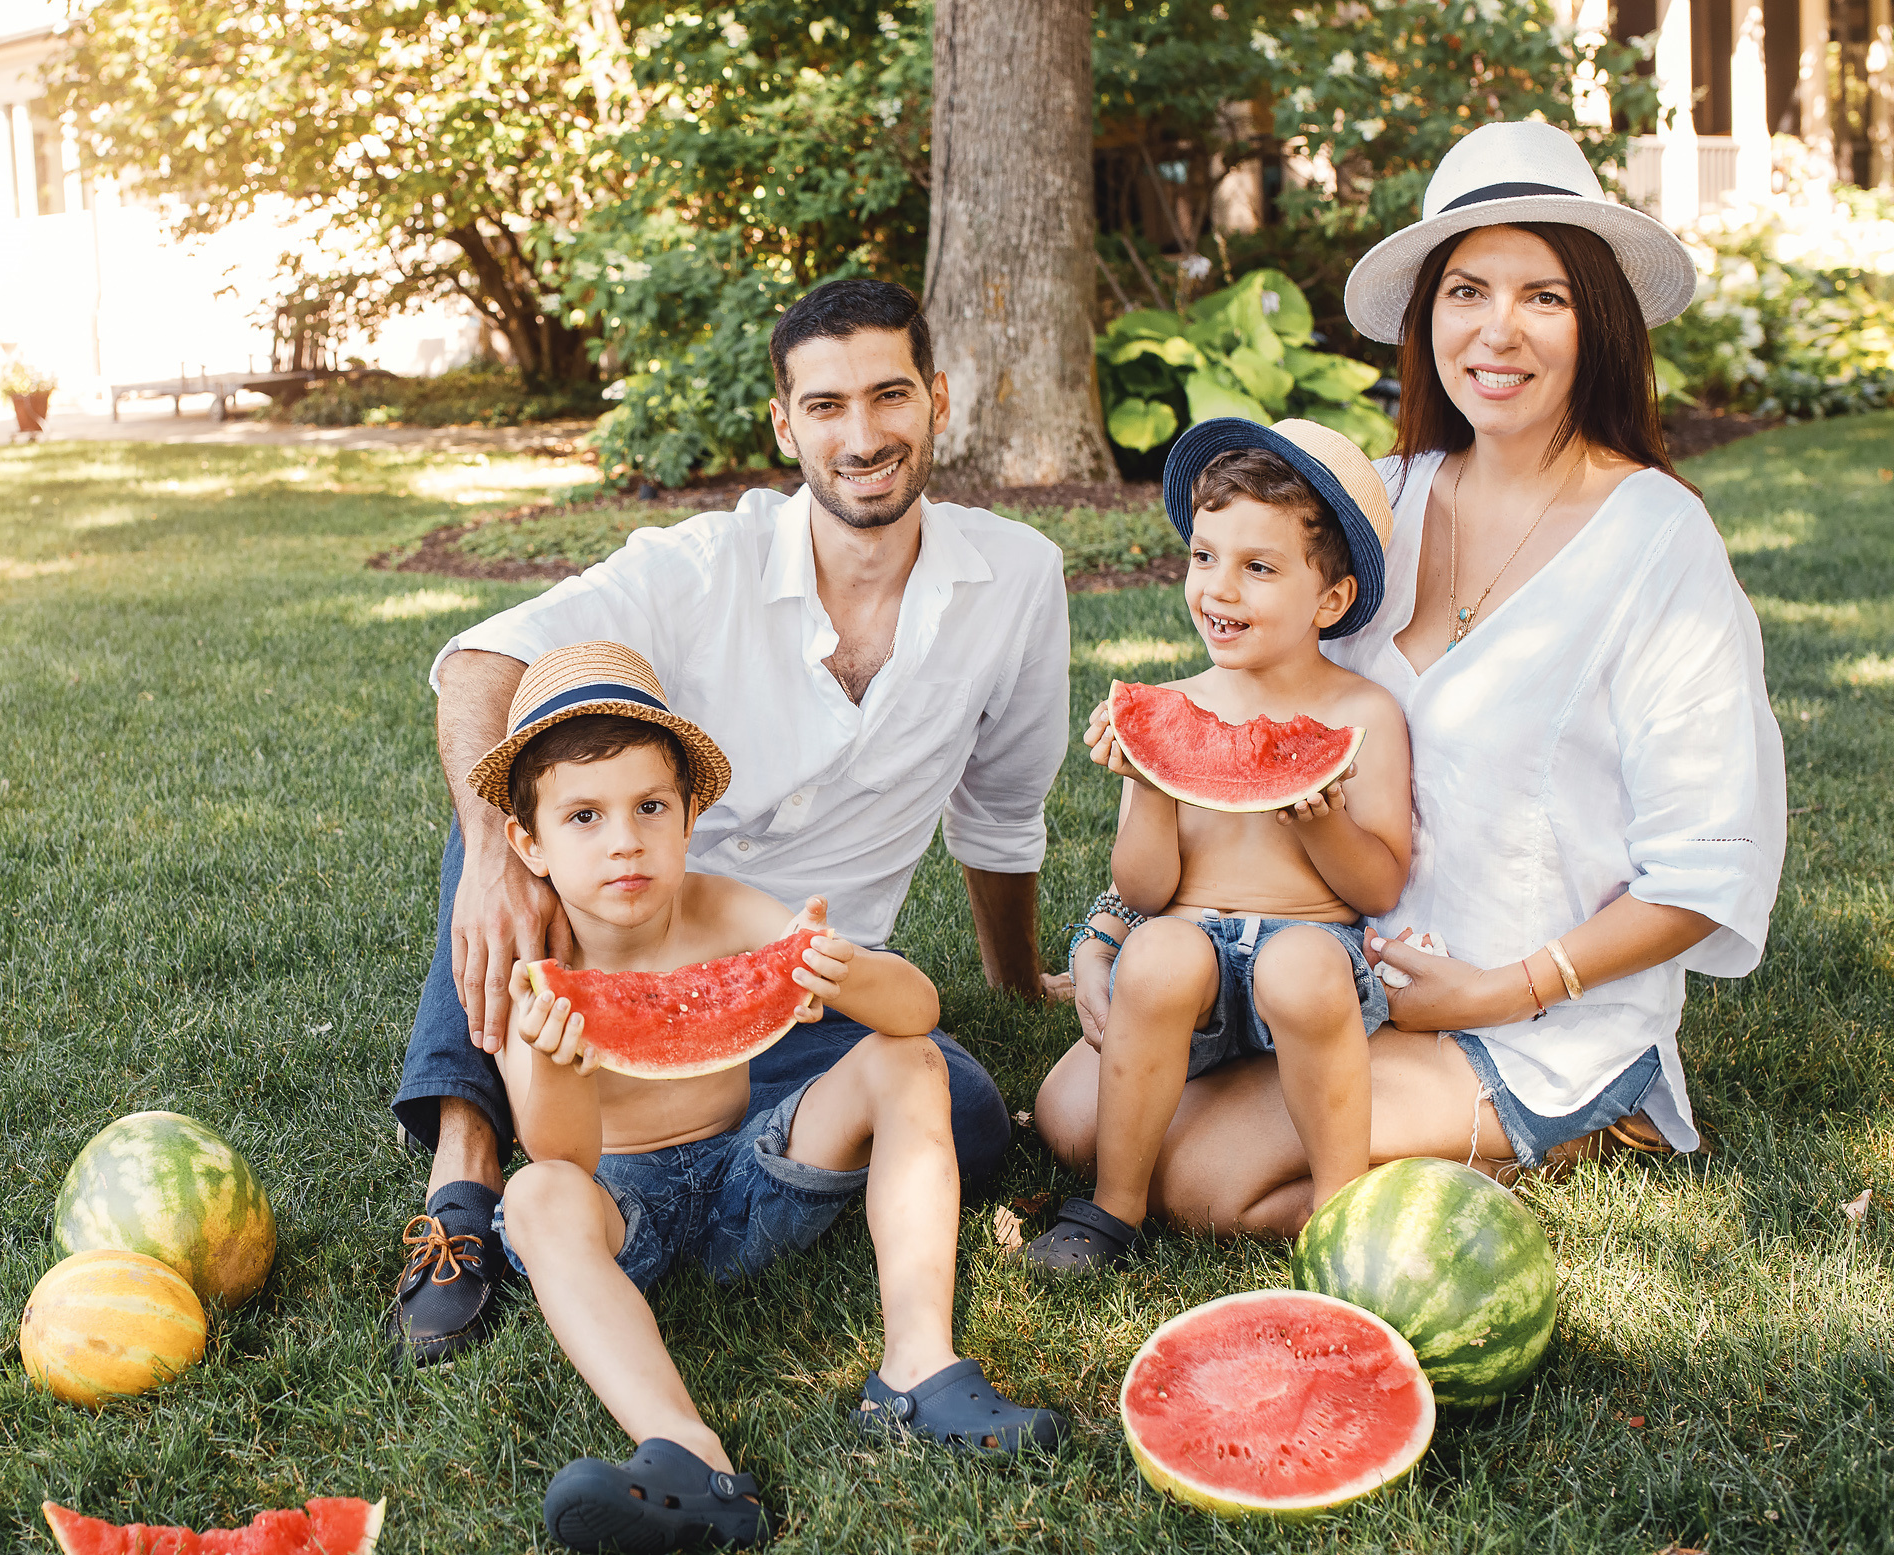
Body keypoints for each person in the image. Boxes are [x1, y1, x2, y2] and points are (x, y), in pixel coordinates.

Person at [1034, 120, 1787, 1231]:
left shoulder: (1657, 541)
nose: (1498, 332)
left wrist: (1505, 987)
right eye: (1466, 292)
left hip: (1519, 1008)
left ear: (1600, 323)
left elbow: (1702, 869)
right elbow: (1240, 726)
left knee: (1196, 1178)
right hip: (1318, 972)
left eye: (1544, 297)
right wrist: (1110, 929)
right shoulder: (1375, 498)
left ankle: (1577, 1118)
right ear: (1428, 316)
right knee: (1071, 1113)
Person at [389, 278, 1073, 1365]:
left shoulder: (1018, 579)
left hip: (811, 978)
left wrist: (1013, 981)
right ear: (783, 422)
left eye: (890, 396)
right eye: (825, 405)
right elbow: (478, 659)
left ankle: (714, 1144)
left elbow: (1001, 807)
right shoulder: (695, 567)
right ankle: (463, 1189)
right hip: (640, 922)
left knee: (976, 1118)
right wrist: (485, 855)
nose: (862, 435)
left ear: (936, 399)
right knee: (508, 848)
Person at [478, 644, 1060, 1551]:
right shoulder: (541, 980)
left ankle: (918, 1366)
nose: (624, 839)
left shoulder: (722, 910)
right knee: (535, 1192)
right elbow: (566, 1155)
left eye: (650, 807)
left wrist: (851, 972)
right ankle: (685, 1452)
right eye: (584, 816)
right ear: (530, 842)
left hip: (755, 1173)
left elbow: (918, 1012)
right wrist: (558, 1061)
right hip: (629, 1215)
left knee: (908, 1060)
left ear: (690, 814)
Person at [1023, 421, 1412, 1271]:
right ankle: (1113, 1210)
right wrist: (1154, 787)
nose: (1218, 589)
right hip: (1187, 964)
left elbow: (1378, 885)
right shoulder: (1168, 706)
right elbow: (1146, 888)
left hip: (1310, 964)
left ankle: (1343, 1215)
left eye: (1258, 567)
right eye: (1204, 558)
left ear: (1331, 599)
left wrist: (1322, 821)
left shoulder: (1365, 716)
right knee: (1160, 952)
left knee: (1299, 964)